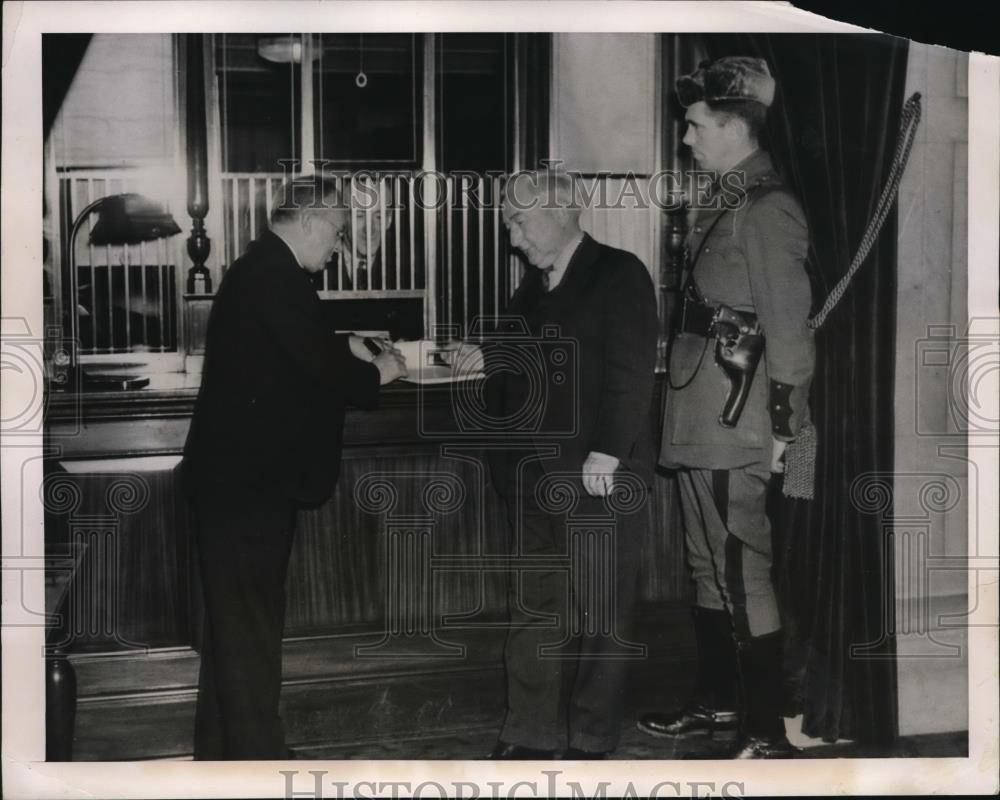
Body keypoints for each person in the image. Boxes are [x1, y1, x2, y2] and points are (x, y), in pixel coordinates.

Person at [181, 175, 407, 760]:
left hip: (233, 482)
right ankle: (259, 762)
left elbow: (293, 349)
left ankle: (225, 756)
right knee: (251, 628)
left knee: (234, 628)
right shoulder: (276, 277)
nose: (338, 246)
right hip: (248, 487)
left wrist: (343, 344)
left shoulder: (264, 269)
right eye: (337, 232)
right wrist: (376, 373)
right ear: (308, 222)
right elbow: (314, 366)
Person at [637, 56, 814, 758]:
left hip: (736, 419)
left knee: (741, 568)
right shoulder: (726, 200)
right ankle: (717, 702)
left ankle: (766, 732)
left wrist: (787, 431)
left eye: (696, 126)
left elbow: (791, 334)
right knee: (707, 561)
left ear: (736, 128)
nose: (686, 139)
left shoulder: (769, 210)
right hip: (699, 409)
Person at [482, 171, 659, 759]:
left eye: (519, 221)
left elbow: (631, 369)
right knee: (535, 606)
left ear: (561, 211)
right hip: (532, 475)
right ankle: (528, 734)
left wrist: (608, 451)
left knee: (601, 611)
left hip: (594, 474)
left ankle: (590, 738)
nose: (513, 238)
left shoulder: (619, 272)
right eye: (509, 224)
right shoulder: (534, 285)